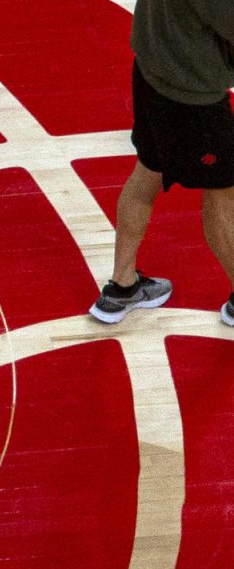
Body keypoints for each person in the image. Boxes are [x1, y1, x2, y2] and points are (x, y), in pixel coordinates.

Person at [88, 0, 234, 325]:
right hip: (192, 95)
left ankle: (122, 286)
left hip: (151, 69)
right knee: (223, 194)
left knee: (147, 171)